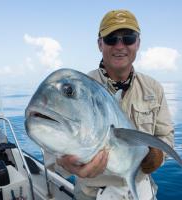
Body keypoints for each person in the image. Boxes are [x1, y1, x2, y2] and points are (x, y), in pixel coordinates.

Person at [57, 9, 174, 200]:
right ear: (100, 43)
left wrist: (157, 156)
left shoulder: (154, 88)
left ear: (138, 43)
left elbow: (166, 136)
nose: (120, 46)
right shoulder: (78, 90)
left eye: (128, 38)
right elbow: (52, 143)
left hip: (142, 191)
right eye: (111, 38)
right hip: (92, 194)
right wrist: (63, 162)